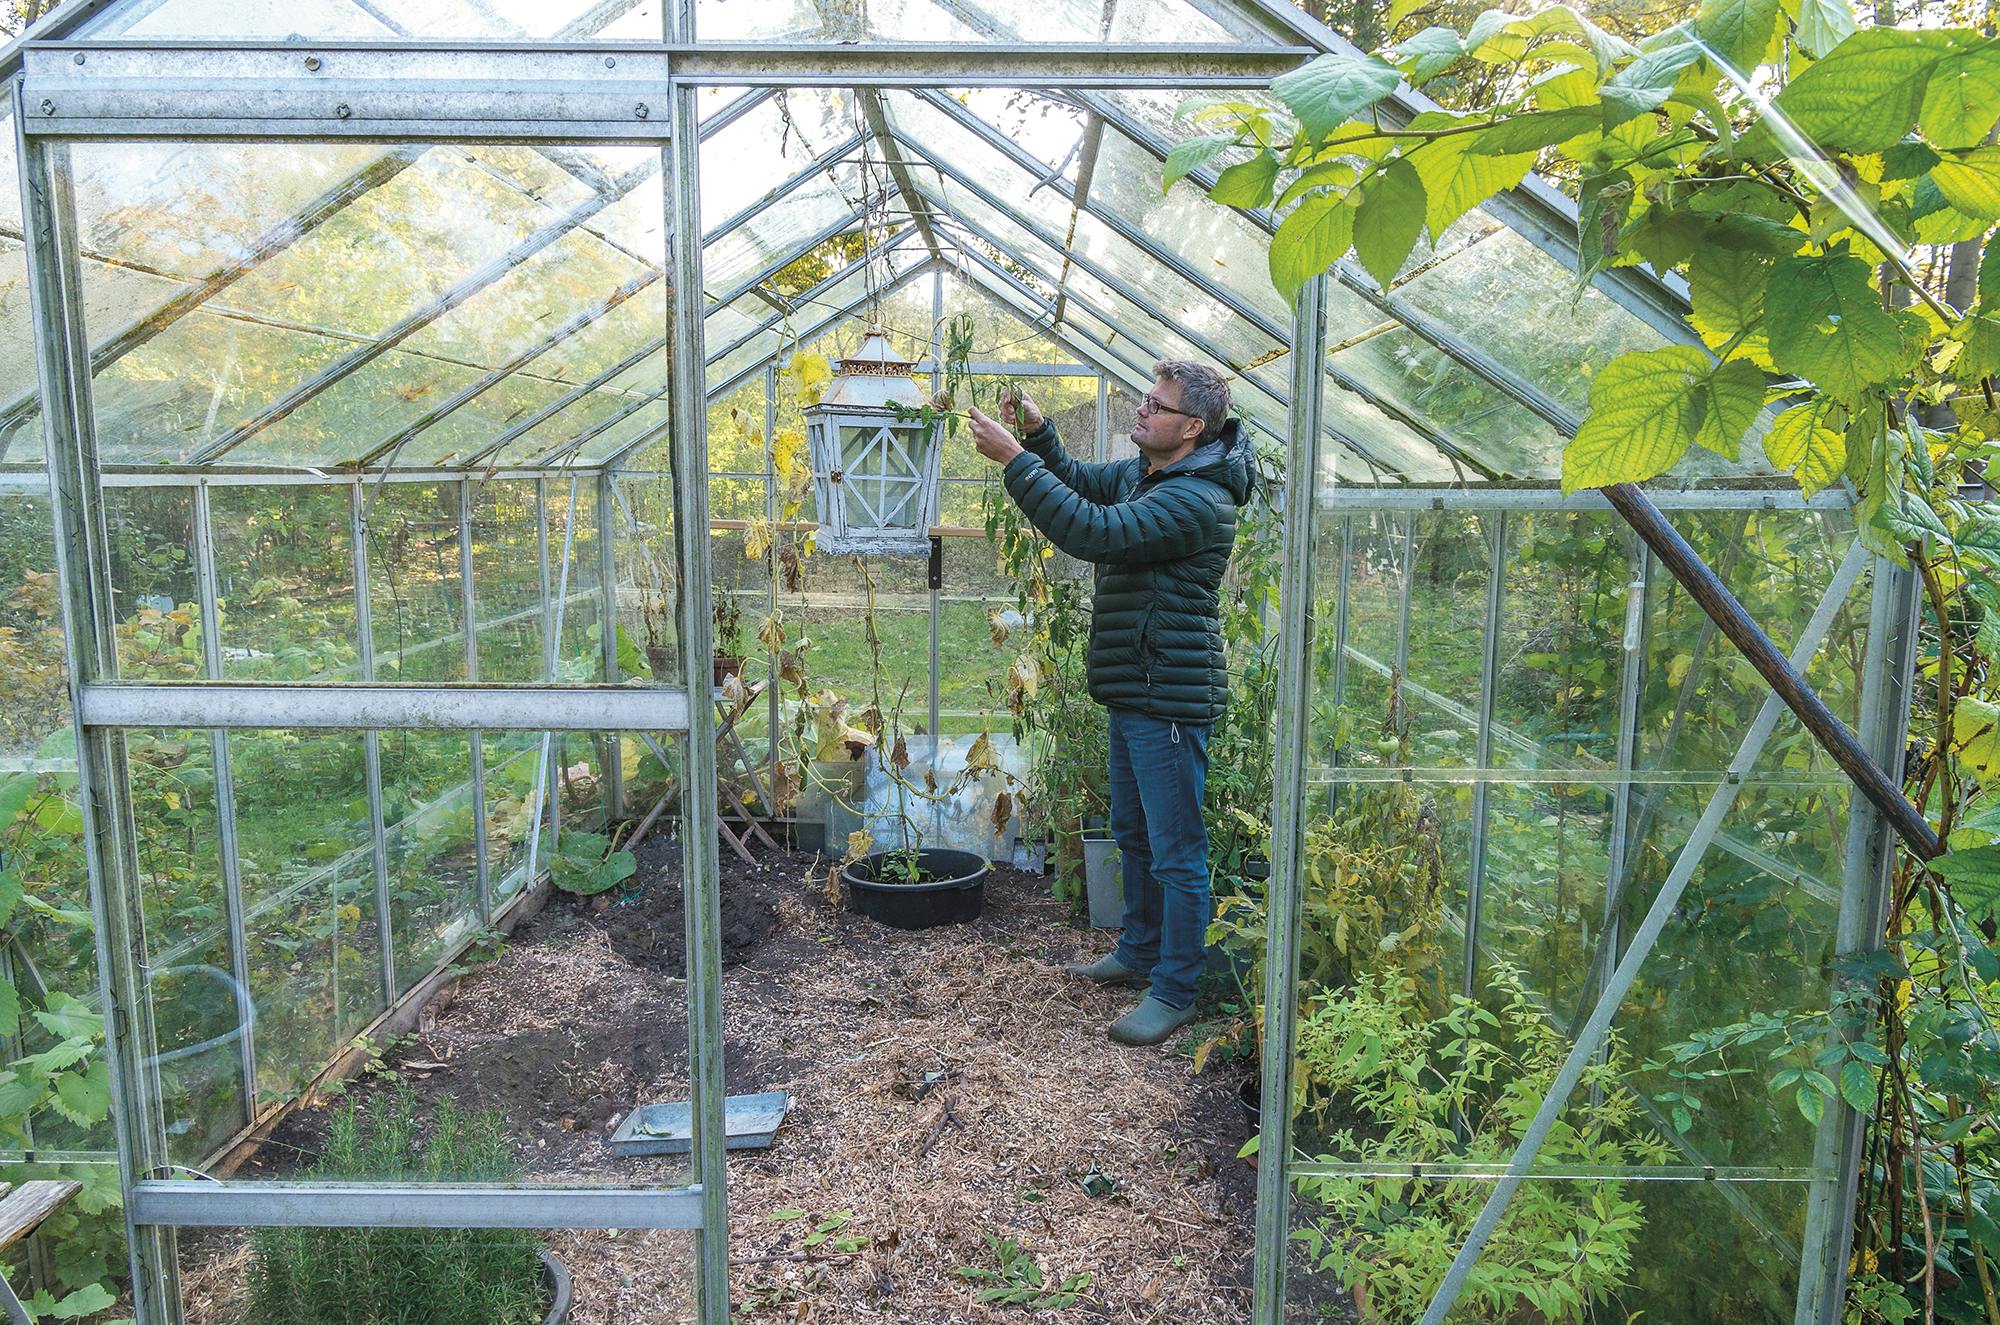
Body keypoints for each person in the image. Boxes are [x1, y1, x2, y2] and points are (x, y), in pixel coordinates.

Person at [965, 362, 1250, 1046]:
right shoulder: (1150, 475)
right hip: (1138, 687)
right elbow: (1084, 483)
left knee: (1176, 850)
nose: (1144, 408)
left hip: (1170, 699)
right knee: (1134, 833)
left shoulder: (1197, 500)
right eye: (1146, 397)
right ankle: (1140, 950)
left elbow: (1093, 531)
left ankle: (1176, 988)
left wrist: (1013, 460)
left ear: (1192, 428)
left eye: (1159, 404)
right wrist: (1040, 434)